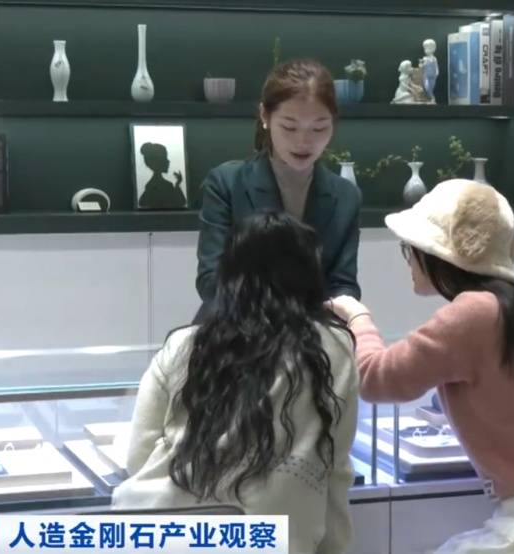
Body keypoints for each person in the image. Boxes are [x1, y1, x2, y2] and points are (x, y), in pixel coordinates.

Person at [330, 180, 514, 554]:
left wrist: (357, 317)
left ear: (437, 254)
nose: (408, 260)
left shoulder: (472, 314)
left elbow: (377, 378)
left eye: (410, 250)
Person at [112, 212, 359, 554]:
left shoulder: (185, 344)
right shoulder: (334, 349)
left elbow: (138, 456)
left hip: (163, 530)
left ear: (228, 274)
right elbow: (335, 468)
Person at [195, 59, 362, 321]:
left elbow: (344, 286)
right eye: (289, 127)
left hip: (312, 333)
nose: (303, 141)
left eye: (319, 128)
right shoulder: (226, 183)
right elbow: (210, 281)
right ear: (265, 116)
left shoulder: (345, 197)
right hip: (234, 330)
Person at [137, 142, 186, 209]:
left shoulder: (151, 185)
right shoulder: (164, 185)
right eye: (165, 158)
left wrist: (177, 184)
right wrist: (177, 184)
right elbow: (181, 202)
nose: (168, 161)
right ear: (157, 162)